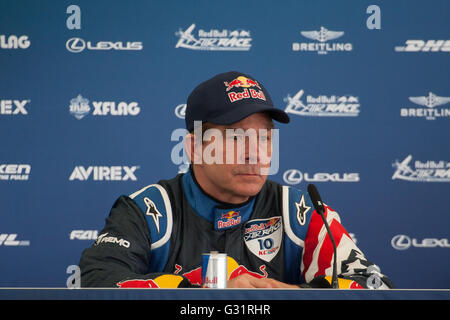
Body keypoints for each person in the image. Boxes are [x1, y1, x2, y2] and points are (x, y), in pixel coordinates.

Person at [79, 71, 394, 289]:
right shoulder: (148, 211)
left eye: (265, 139)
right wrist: (206, 287)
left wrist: (286, 294)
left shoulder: (301, 211)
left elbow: (374, 285)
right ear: (194, 148)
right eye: (236, 137)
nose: (255, 154)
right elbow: (97, 281)